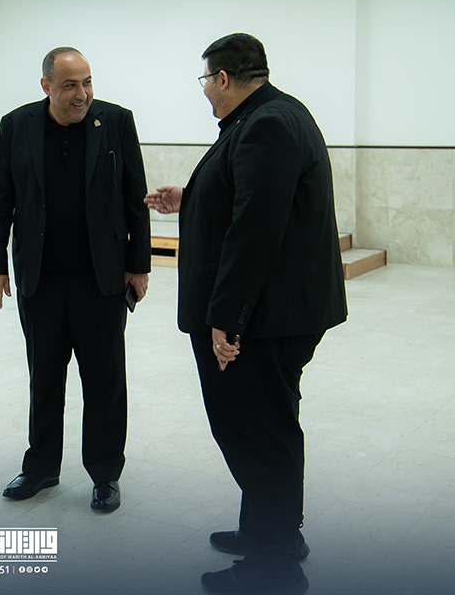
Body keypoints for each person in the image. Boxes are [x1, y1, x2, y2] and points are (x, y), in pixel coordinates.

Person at [145, 33, 348, 594]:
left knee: (258, 433)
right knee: (266, 425)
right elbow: (249, 195)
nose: (205, 92)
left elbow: (256, 229)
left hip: (264, 318)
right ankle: (267, 531)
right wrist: (190, 198)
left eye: (205, 81)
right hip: (274, 311)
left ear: (223, 78)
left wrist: (227, 317)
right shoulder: (269, 115)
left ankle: (274, 563)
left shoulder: (267, 124)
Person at [0, 46, 151, 512]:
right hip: (40, 278)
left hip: (101, 279)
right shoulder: (16, 125)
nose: (82, 95)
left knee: (104, 382)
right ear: (46, 86)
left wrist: (139, 264)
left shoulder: (116, 121)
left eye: (88, 83)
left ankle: (105, 473)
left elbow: (135, 197)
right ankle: (41, 467)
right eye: (70, 85)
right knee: (44, 378)